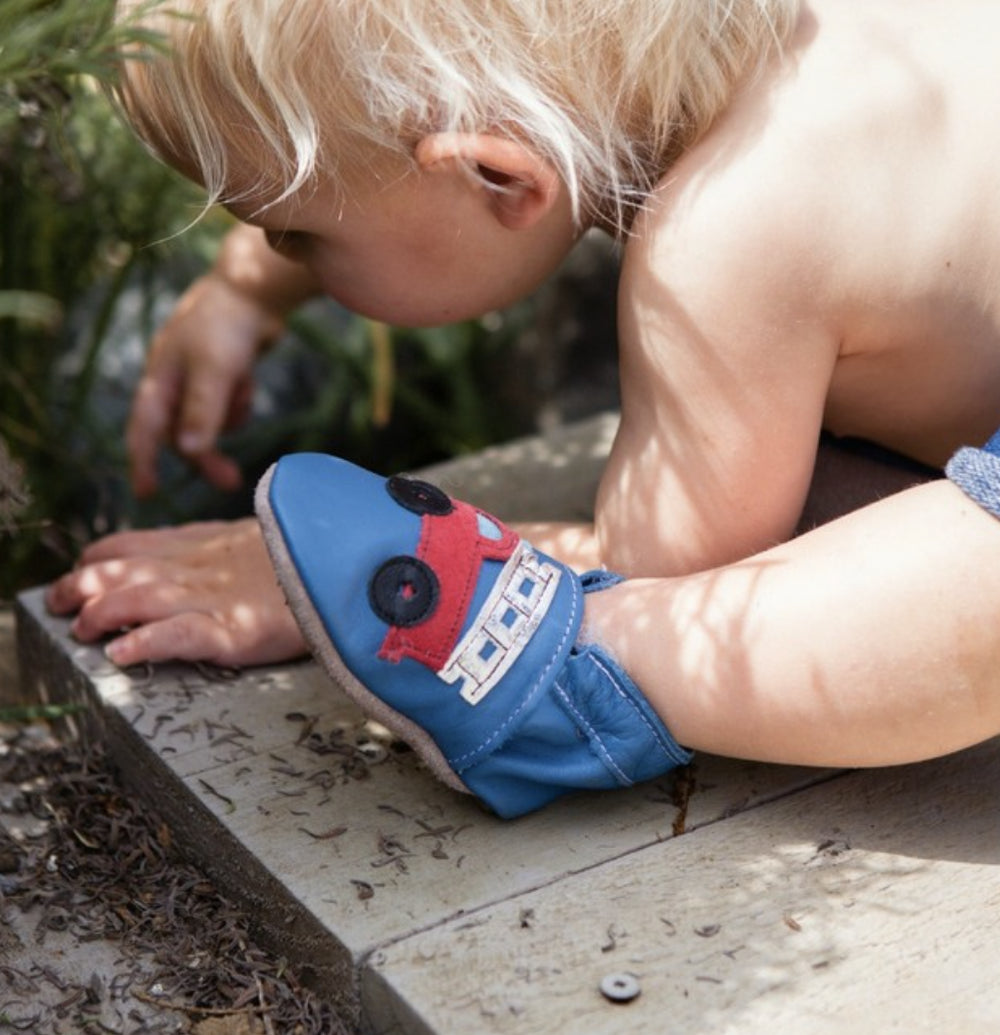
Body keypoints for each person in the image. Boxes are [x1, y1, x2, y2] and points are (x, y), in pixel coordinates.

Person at [45, 0, 1000, 815]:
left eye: (293, 234)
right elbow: (371, 161)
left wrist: (360, 580)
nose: (290, 257)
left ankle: (555, 673)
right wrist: (249, 290)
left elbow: (670, 569)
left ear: (503, 179)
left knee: (937, 582)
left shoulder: (725, 244)